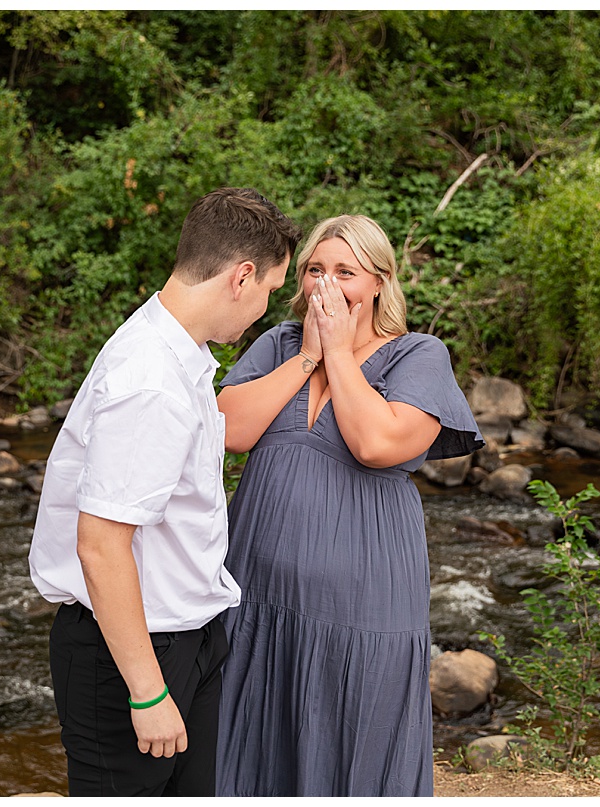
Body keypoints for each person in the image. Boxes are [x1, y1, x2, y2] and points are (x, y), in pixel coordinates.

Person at [28, 187, 302, 797]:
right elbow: (100, 545)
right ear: (242, 276)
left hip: (186, 633)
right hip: (129, 654)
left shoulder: (183, 354)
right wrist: (148, 691)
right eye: (267, 293)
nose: (263, 310)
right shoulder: (150, 380)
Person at [214, 214, 485, 796]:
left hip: (363, 606)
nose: (326, 284)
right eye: (315, 269)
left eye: (345, 271)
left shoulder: (418, 355)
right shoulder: (280, 344)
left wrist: (337, 352)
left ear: (380, 282)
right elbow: (228, 429)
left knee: (356, 741)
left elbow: (377, 442)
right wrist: (308, 358)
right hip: (257, 595)